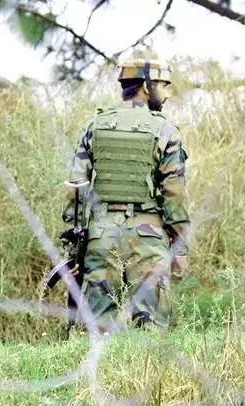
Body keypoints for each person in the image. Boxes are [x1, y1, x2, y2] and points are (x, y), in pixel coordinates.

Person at [61, 51, 191, 335]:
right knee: (152, 330)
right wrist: (180, 247)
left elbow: (74, 191)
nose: (167, 94)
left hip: (100, 235)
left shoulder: (94, 126)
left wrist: (75, 245)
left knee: (96, 331)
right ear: (146, 85)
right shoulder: (165, 130)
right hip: (148, 237)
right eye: (164, 85)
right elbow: (175, 195)